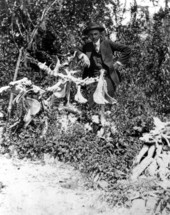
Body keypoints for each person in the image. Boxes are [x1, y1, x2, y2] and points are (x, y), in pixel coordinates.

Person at [77, 22, 131, 107]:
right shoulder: (87, 46)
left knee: (107, 100)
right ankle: (91, 114)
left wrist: (118, 63)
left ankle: (105, 115)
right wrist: (82, 55)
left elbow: (127, 49)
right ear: (88, 36)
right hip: (93, 76)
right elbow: (74, 50)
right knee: (91, 102)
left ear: (100, 34)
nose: (93, 37)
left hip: (108, 75)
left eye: (95, 34)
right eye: (91, 35)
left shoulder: (108, 43)